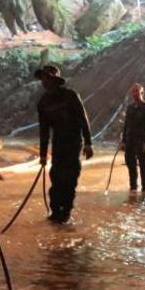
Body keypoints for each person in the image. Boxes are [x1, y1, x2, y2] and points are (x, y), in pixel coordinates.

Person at [35, 65, 93, 222]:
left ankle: (66, 211)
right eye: (42, 79)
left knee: (70, 177)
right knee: (56, 176)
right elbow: (44, 131)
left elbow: (83, 118)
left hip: (74, 142)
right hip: (58, 143)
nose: (44, 82)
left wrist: (88, 143)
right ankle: (55, 211)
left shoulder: (70, 95)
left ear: (54, 79)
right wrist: (42, 155)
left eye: (47, 78)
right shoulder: (43, 103)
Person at [120, 83, 145, 193]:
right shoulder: (130, 108)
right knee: (131, 165)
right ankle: (133, 188)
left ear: (142, 93)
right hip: (130, 141)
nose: (134, 93)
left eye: (137, 91)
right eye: (133, 91)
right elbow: (126, 125)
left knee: (144, 166)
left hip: (141, 142)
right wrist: (123, 141)